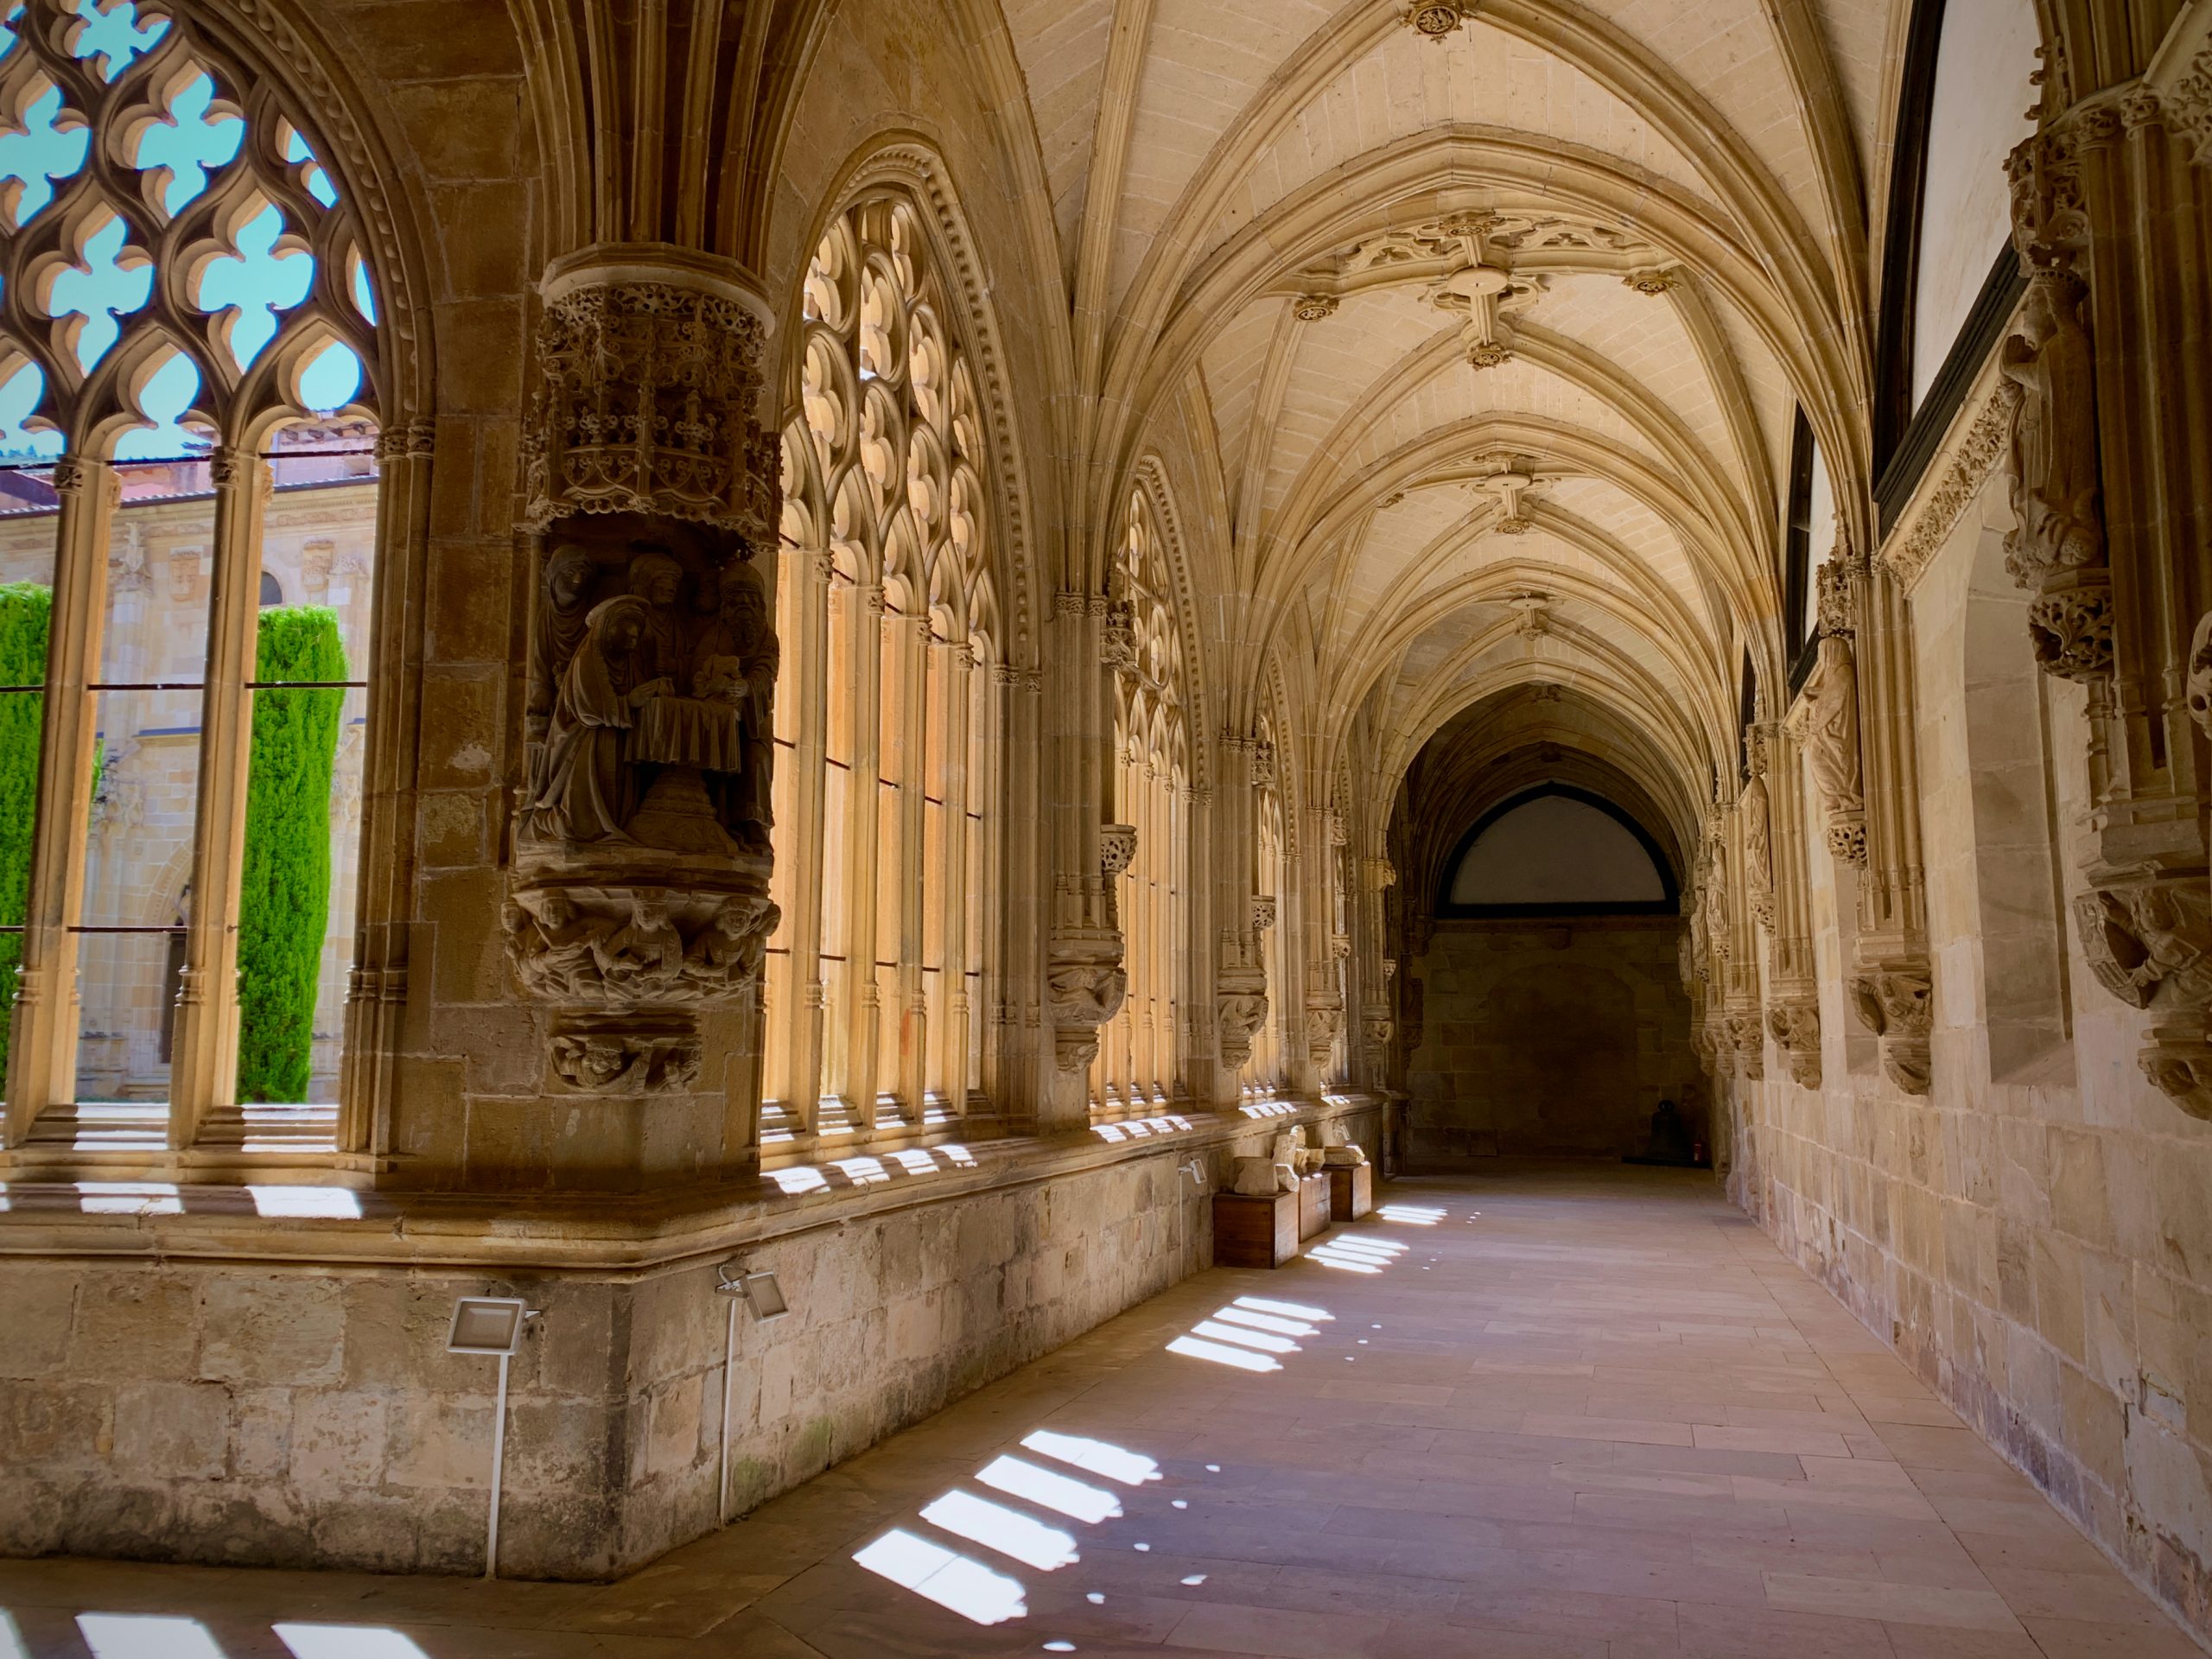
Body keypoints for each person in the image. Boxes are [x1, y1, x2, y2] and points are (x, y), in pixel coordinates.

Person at [527, 595, 671, 846]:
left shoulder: (626, 664)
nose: (631, 643)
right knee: (580, 818)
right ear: (608, 631)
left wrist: (655, 690)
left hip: (616, 742)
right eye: (626, 637)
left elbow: (635, 693)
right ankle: (556, 824)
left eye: (635, 639)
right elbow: (589, 711)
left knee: (615, 804)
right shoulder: (587, 661)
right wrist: (630, 702)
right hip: (583, 743)